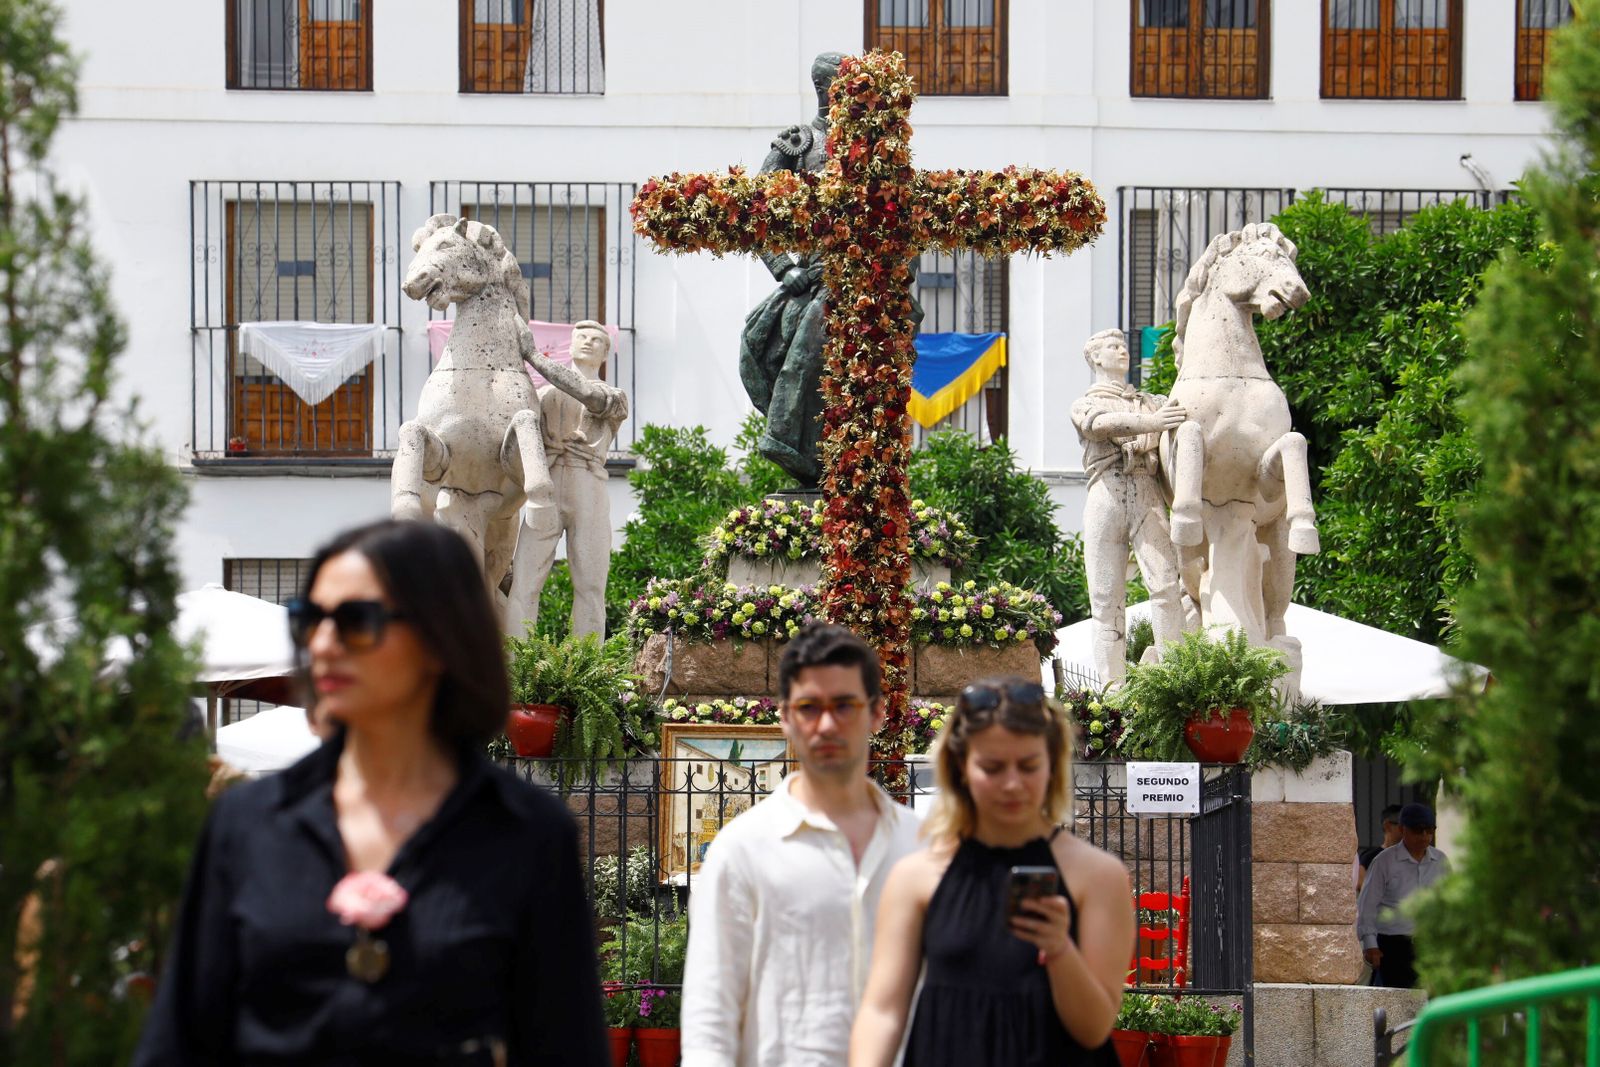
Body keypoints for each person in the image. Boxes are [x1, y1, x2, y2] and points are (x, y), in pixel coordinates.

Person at [133, 519, 609, 1065]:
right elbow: (180, 1041)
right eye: (308, 620)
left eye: (356, 621)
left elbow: (565, 1046)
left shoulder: (525, 834)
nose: (324, 643)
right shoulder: (246, 824)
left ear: (439, 640)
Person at [850, 678, 1133, 1067]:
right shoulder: (917, 876)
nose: (1013, 783)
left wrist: (1059, 948)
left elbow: (1094, 1028)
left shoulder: (1097, 875)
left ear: (1052, 765)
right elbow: (883, 1010)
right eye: (993, 767)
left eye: (1029, 765)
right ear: (961, 767)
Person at [681, 623, 923, 1067]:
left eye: (845, 705)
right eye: (809, 707)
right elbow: (709, 1021)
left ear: (877, 713)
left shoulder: (923, 847)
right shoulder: (743, 849)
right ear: (785, 718)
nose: (827, 724)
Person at [1070, 328, 1189, 685]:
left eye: (1123, 345)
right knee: (1106, 599)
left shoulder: (1152, 400)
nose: (1121, 350)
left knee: (1167, 583)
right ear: (1096, 358)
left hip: (1147, 488)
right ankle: (1112, 691)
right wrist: (1152, 423)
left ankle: (1175, 679)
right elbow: (1097, 426)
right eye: (1112, 346)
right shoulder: (1085, 402)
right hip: (1106, 491)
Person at [507, 320, 629, 639]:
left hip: (587, 486)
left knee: (590, 585)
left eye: (596, 340)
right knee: (523, 581)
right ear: (571, 345)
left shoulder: (614, 396)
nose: (588, 343)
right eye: (582, 338)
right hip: (545, 485)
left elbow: (585, 393)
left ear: (606, 351)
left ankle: (587, 672)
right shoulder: (542, 394)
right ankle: (515, 670)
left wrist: (533, 354)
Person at [1356, 801, 1451, 989]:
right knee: (1399, 1001)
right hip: (1393, 945)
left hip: (1429, 944)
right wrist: (1370, 944)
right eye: (1418, 830)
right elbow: (1367, 904)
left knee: (1430, 997)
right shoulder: (1384, 861)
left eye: (1430, 830)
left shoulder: (1440, 861)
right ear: (1402, 829)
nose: (1424, 836)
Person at [1354, 803, 1404, 892]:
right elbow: (1363, 888)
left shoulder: (1416, 856)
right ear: (1387, 826)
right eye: (1403, 826)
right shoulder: (1369, 858)